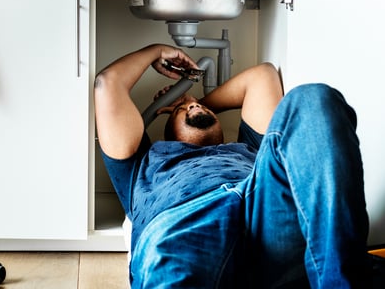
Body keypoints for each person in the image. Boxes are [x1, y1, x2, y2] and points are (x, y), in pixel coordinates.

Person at [94, 43, 372, 288]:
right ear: (167, 131)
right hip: (184, 224)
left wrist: (193, 101)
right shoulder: (143, 162)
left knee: (313, 100)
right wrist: (155, 50)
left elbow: (262, 76)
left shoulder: (248, 146)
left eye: (199, 109)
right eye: (181, 112)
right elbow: (108, 84)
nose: (193, 109)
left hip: (263, 209)